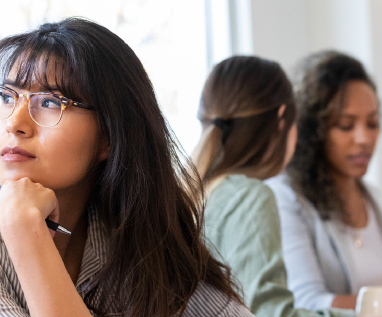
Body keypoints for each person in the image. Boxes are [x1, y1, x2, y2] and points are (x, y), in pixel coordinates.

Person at [193, 55, 382, 317]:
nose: (363, 138)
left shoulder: (369, 195)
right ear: (295, 124)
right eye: (346, 125)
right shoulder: (261, 197)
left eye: (373, 123)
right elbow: (286, 310)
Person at [0, 18, 253, 316]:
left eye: (50, 102)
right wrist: (25, 232)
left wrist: (27, 231)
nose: (14, 122)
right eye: (6, 97)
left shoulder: (136, 253)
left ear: (109, 136)